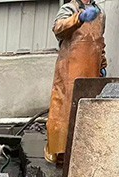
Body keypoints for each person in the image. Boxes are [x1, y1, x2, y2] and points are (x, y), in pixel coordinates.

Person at [45, 0, 107, 164]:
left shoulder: (100, 13)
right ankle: (58, 151)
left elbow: (100, 41)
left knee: (86, 111)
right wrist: (78, 18)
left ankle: (82, 150)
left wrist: (102, 63)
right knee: (64, 110)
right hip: (69, 70)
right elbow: (58, 28)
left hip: (91, 71)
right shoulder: (69, 8)